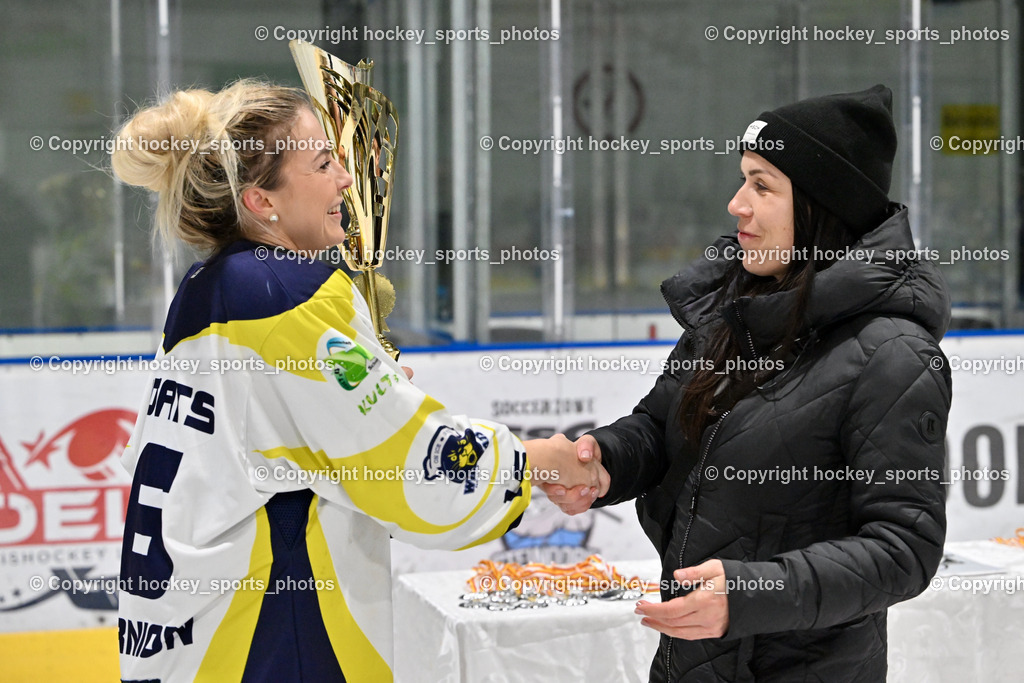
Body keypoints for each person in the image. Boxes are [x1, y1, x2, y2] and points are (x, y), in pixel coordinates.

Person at [110, 79, 605, 682]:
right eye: (322, 163)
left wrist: (364, 381)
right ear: (262, 202)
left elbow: (291, 439)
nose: (345, 178)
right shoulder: (283, 296)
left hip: (187, 641)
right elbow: (409, 470)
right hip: (271, 643)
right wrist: (534, 461)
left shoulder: (212, 286)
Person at [543, 85, 952, 681]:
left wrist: (750, 592)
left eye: (763, 186)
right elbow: (661, 427)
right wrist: (603, 460)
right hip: (694, 661)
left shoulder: (894, 355)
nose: (737, 204)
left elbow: (903, 549)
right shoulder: (735, 308)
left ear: (820, 207)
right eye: (742, 180)